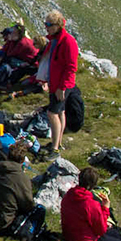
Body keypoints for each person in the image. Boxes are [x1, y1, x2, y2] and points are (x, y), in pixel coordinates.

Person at [40, 10, 79, 155]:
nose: (46, 27)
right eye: (46, 24)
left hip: (61, 85)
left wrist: (62, 87)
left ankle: (54, 149)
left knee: (52, 113)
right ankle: (58, 142)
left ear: (58, 25)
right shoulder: (54, 40)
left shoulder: (68, 41)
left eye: (49, 24)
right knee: (60, 111)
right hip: (55, 83)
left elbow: (71, 67)